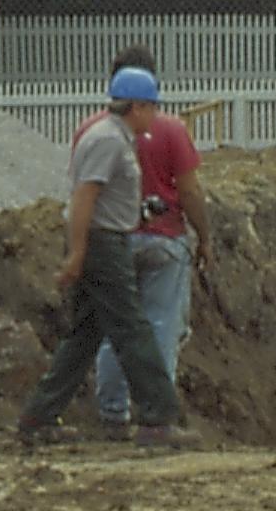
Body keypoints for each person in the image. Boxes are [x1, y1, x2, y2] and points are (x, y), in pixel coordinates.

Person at [16, 66, 187, 448]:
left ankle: (38, 416)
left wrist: (139, 213)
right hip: (102, 246)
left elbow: (103, 199)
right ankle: (158, 417)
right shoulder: (108, 140)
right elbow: (84, 198)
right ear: (138, 106)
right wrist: (77, 252)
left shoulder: (117, 138)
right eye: (152, 107)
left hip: (108, 239)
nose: (156, 115)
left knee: (86, 335)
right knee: (132, 328)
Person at [78, 41, 212, 437]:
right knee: (160, 328)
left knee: (115, 331)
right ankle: (156, 417)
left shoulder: (89, 130)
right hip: (163, 240)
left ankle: (112, 415)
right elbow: (189, 190)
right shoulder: (170, 130)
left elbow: (81, 188)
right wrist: (205, 237)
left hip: (111, 244)